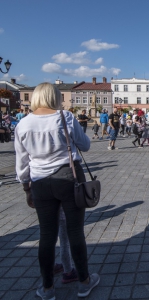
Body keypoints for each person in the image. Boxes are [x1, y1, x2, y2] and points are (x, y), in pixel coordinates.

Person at [14, 83, 100, 299]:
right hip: (68, 178)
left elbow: (22, 163)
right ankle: (83, 281)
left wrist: (27, 188)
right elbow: (85, 145)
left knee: (46, 234)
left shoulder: (23, 124)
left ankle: (48, 288)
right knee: (75, 231)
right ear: (56, 97)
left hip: (40, 182)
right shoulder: (66, 117)